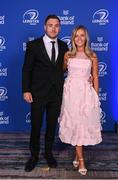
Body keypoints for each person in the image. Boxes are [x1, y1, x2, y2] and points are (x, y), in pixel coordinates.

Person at [22, 14, 68, 172]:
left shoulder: (64, 46)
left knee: (51, 126)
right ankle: (34, 156)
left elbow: (67, 68)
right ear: (44, 27)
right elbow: (26, 69)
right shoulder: (33, 45)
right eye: (50, 25)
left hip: (56, 94)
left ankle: (48, 153)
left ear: (60, 28)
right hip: (38, 93)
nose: (53, 28)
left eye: (56, 25)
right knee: (36, 126)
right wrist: (26, 90)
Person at [59, 25, 102, 175]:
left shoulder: (92, 56)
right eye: (76, 36)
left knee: (83, 124)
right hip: (71, 94)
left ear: (86, 38)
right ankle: (81, 160)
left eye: (82, 35)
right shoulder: (68, 55)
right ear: (73, 38)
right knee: (75, 123)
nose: (79, 38)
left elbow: (95, 76)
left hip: (85, 93)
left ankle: (78, 155)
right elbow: (62, 70)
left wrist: (95, 96)